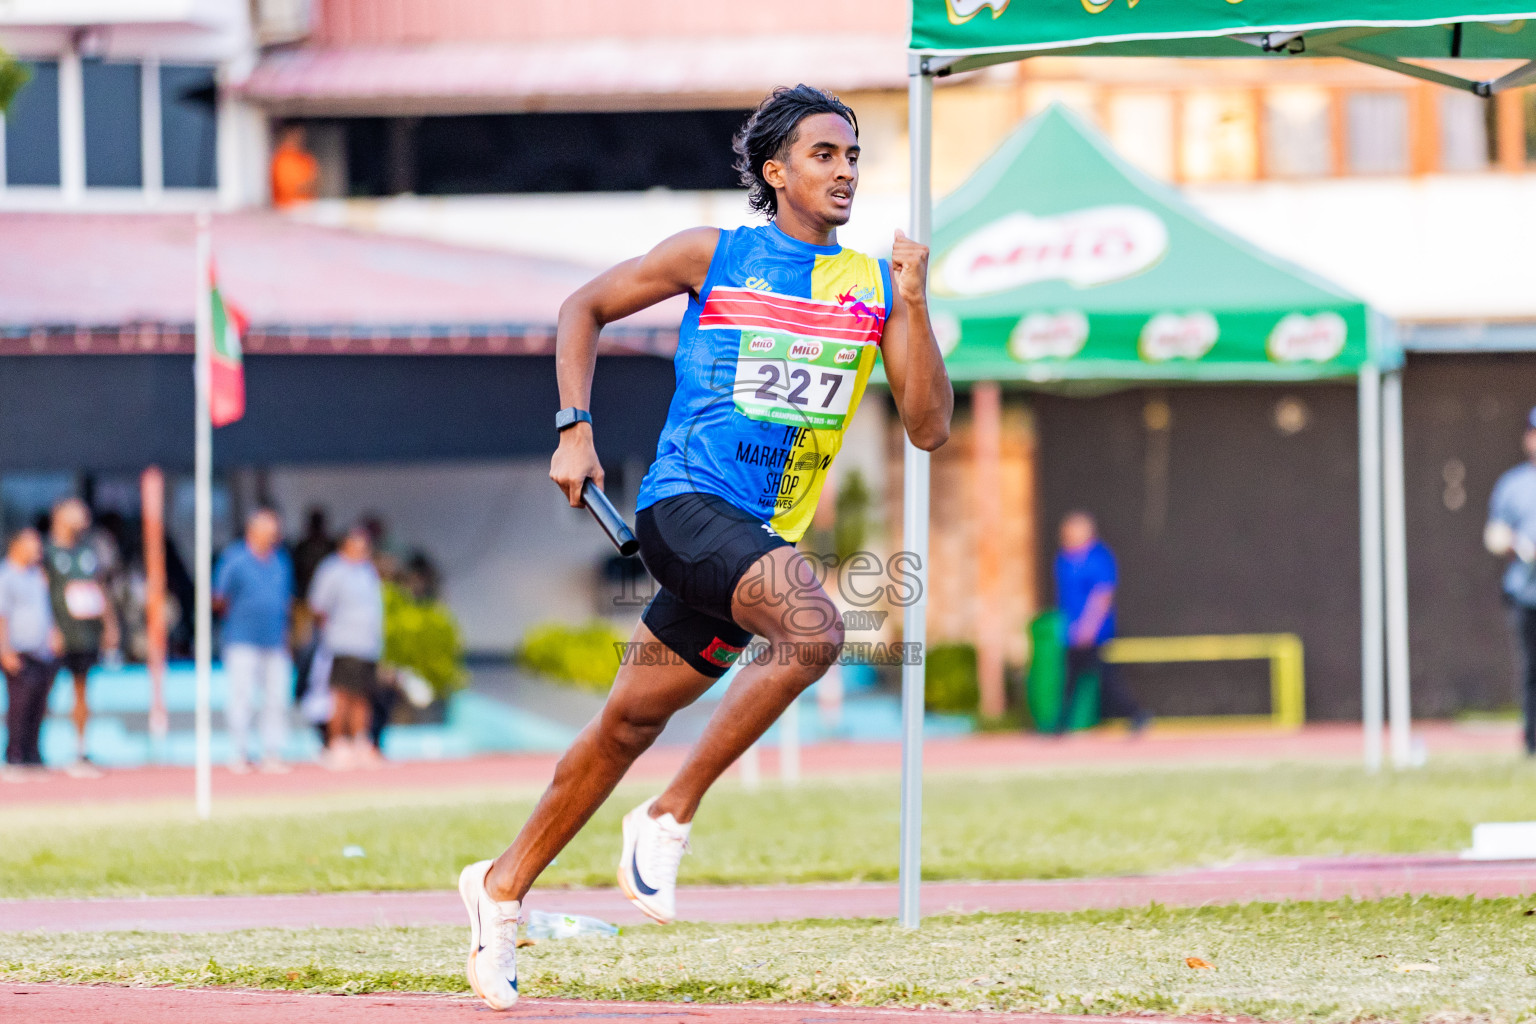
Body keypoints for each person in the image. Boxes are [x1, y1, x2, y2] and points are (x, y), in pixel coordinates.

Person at [455, 84, 952, 1011]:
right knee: (814, 631)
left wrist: (915, 301)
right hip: (683, 508)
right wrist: (573, 427)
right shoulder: (713, 256)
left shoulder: (874, 289)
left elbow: (926, 427)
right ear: (776, 172)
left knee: (627, 724)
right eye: (823, 155)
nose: (845, 172)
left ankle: (500, 887)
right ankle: (668, 813)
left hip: (754, 541)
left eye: (852, 157)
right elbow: (583, 306)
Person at [1053, 511, 1150, 735]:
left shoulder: (1098, 558)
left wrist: (1088, 627)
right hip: (1072, 633)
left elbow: (1102, 595)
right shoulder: (1064, 559)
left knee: (1107, 679)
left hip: (1096, 633)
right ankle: (1061, 724)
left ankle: (1136, 715)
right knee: (1069, 679)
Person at [213, 509, 295, 774]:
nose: (274, 535)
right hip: (242, 639)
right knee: (242, 697)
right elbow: (219, 598)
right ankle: (240, 752)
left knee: (276, 698)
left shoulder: (280, 561)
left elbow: (286, 601)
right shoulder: (235, 559)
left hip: (274, 639)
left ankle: (272, 752)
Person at [44, 498, 118, 777]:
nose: (83, 516)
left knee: (82, 692)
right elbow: (40, 593)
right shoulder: (46, 552)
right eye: (75, 511)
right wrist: (50, 627)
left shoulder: (87, 550)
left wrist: (110, 624)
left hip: (85, 634)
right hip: (57, 634)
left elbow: (99, 589)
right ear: (59, 515)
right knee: (42, 690)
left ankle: (80, 749)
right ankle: (30, 749)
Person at [307, 524, 385, 770]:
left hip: (367, 646)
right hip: (342, 644)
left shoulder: (367, 572)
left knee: (362, 696)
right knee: (341, 695)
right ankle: (336, 743)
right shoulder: (332, 570)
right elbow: (318, 607)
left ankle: (360, 741)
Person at [1485, 406, 1536, 756]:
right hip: (1525, 594)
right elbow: (1494, 533)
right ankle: (1532, 742)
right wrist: (1517, 544)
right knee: (1531, 669)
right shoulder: (1513, 483)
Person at [0, 528, 63, 776]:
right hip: (18, 650)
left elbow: (45, 610)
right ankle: (14, 754)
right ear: (17, 545)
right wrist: (5, 648)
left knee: (39, 705)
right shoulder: (6, 576)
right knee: (19, 705)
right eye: (32, 544)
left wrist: (53, 633)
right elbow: (2, 616)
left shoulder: (38, 576)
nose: (38, 550)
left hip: (41, 651)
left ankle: (32, 753)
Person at [270, 124, 319, 209]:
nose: (299, 139)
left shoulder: (306, 158)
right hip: (287, 208)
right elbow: (288, 189)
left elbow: (316, 182)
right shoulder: (281, 159)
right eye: (296, 135)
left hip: (308, 207)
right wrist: (306, 185)